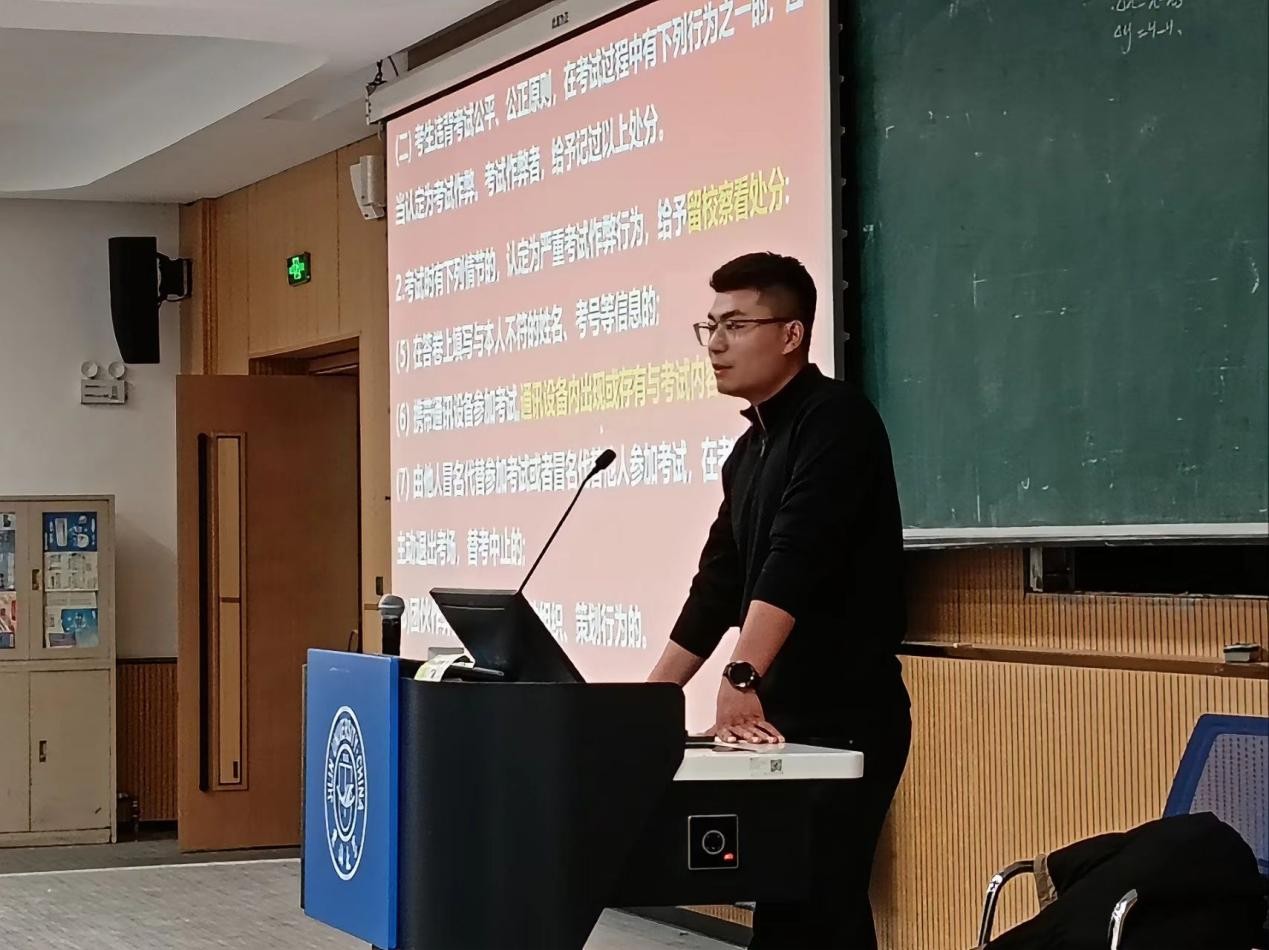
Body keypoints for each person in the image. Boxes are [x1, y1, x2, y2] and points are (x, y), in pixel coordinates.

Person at [647, 252, 911, 949]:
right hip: (777, 723)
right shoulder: (748, 450)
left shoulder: (837, 421)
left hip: (845, 715)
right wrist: (647, 701)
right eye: (709, 326)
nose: (715, 343)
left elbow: (797, 558)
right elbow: (717, 585)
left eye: (735, 325)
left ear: (791, 334)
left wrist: (741, 673)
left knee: (817, 908)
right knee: (796, 914)